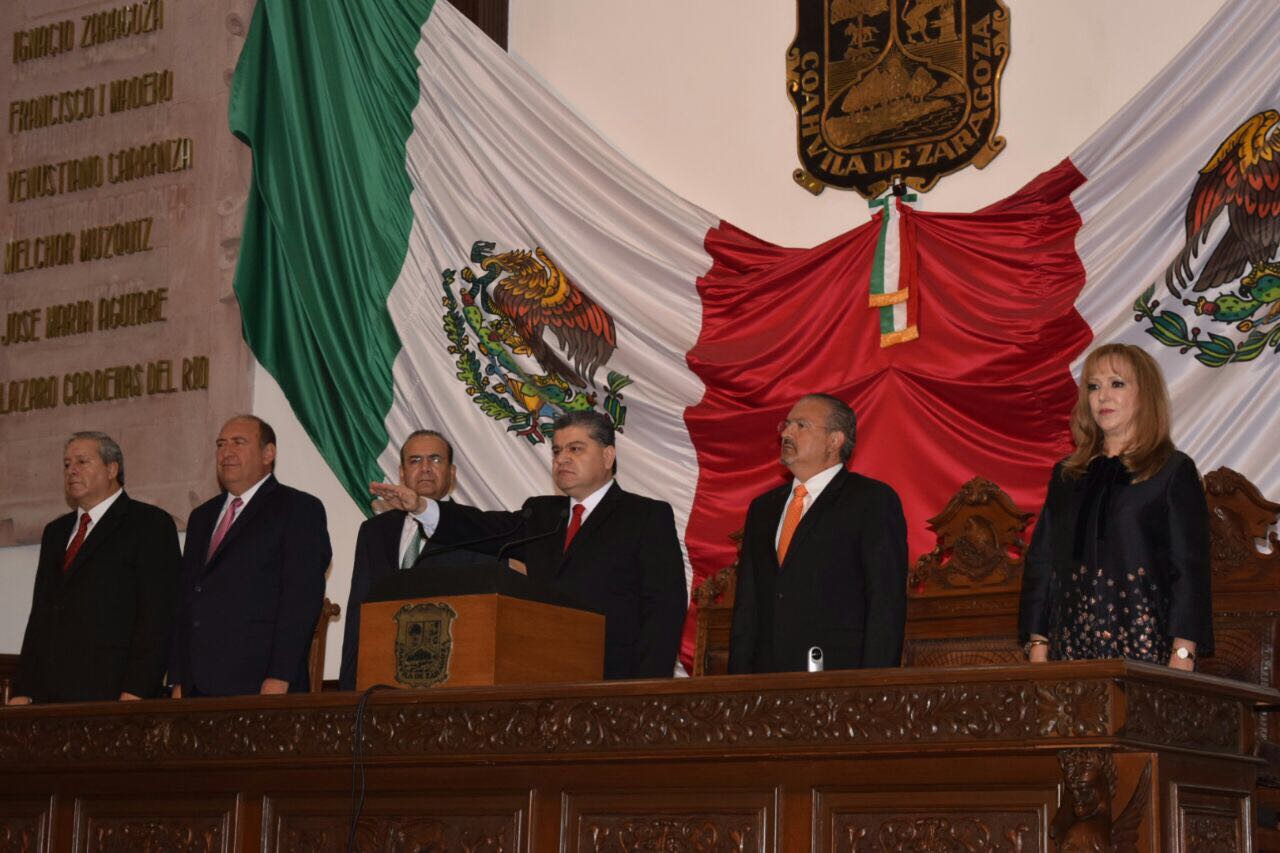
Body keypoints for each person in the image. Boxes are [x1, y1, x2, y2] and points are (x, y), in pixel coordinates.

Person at [372, 410, 687, 680]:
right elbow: (481, 528)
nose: (562, 458)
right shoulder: (541, 513)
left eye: (575, 449)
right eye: (557, 451)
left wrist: (646, 690)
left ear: (608, 456)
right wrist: (421, 506)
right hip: (538, 677)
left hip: (613, 679)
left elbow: (664, 610)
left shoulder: (645, 516)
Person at [1018, 343, 1212, 669]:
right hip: (1069, 651)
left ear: (1144, 395)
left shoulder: (1172, 471)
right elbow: (1042, 563)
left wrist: (1182, 654)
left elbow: (1188, 570)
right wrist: (1038, 644)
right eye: (1094, 386)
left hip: (1147, 650)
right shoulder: (1067, 475)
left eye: (1116, 384)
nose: (1103, 396)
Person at [728, 393, 908, 673]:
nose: (786, 432)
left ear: (834, 441)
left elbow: (885, 602)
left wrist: (874, 687)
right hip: (764, 683)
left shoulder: (870, 500)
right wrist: (736, 685)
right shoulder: (763, 508)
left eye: (801, 425)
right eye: (786, 424)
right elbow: (747, 606)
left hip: (838, 678)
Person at [9, 432, 181, 704]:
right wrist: (22, 689)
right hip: (49, 694)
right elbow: (41, 614)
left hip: (112, 691)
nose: (72, 471)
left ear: (112, 469)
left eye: (82, 462)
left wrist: (138, 688)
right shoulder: (56, 532)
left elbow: (158, 615)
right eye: (67, 464)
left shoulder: (149, 524)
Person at [169, 415, 332, 697]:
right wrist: (179, 677)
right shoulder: (202, 517)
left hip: (259, 683)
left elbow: (300, 600)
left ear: (268, 453)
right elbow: (186, 600)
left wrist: (280, 676)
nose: (226, 452)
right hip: (196, 686)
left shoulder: (298, 508)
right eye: (221, 444)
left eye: (238, 443)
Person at [339, 429, 457, 690]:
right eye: (415, 461)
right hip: (380, 676)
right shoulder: (375, 532)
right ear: (402, 473)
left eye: (435, 460)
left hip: (447, 678)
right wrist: (348, 687)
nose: (425, 468)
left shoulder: (471, 527)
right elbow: (359, 608)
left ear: (452, 472)